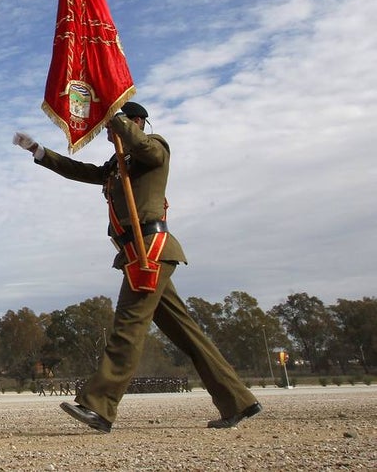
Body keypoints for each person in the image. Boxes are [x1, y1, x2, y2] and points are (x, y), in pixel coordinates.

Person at [13, 101, 261, 433]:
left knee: (128, 326)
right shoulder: (117, 165)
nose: (107, 131)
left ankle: (99, 406)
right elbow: (81, 171)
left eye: (114, 123)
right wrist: (39, 151)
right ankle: (238, 401)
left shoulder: (154, 147)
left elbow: (145, 148)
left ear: (137, 121)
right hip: (135, 252)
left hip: (150, 250)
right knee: (188, 335)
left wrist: (113, 116)